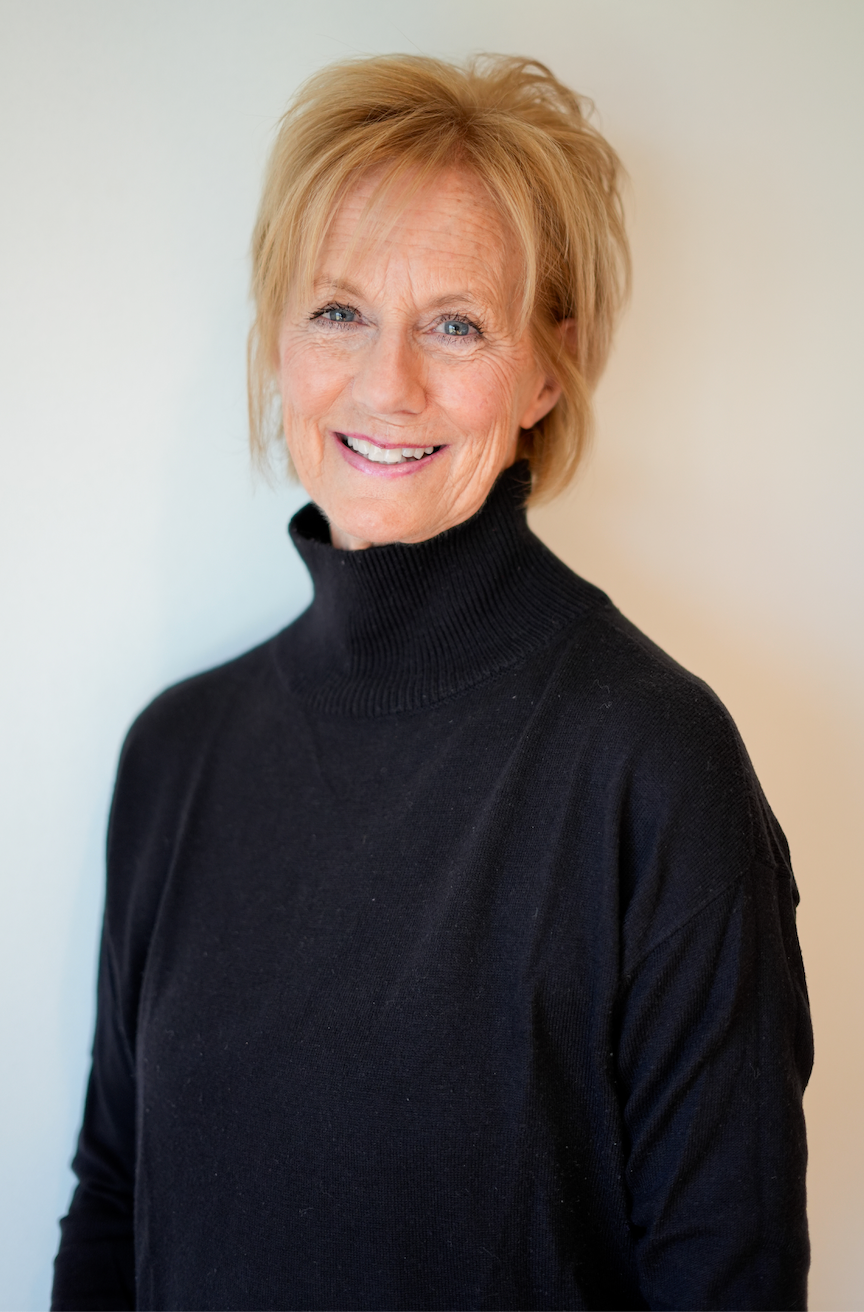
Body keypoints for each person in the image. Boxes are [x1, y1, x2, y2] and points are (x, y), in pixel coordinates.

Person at [51, 54, 812, 1312]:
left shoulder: (656, 765)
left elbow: (727, 1278)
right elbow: (118, 1202)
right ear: (277, 338)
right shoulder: (175, 755)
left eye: (455, 323)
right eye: (338, 310)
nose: (385, 383)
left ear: (545, 370)